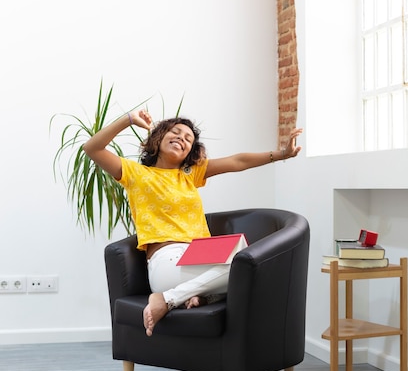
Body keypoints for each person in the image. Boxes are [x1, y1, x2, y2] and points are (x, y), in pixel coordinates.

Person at [83, 109, 302, 337]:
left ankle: (186, 296)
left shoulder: (190, 174)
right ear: (158, 138)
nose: (181, 138)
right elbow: (92, 148)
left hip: (201, 255)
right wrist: (128, 120)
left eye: (188, 139)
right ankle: (171, 297)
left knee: (252, 264)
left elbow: (238, 161)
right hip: (167, 262)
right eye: (175, 133)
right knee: (246, 268)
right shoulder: (134, 173)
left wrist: (282, 154)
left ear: (190, 152)